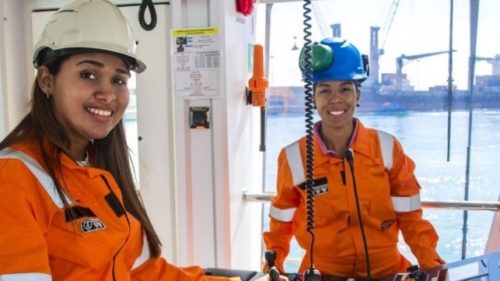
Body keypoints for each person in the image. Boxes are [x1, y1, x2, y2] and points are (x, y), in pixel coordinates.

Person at [0, 0, 237, 280]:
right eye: (88, 75)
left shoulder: (96, 175)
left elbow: (142, 272)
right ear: (46, 81)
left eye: (118, 80)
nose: (108, 94)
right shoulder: (12, 178)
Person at [262, 38, 445, 280]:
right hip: (322, 274)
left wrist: (431, 264)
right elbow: (280, 224)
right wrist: (273, 270)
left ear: (357, 95)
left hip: (388, 272)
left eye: (345, 89)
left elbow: (411, 218)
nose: (335, 99)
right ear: (313, 98)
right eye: (325, 90)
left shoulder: (388, 148)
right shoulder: (293, 157)